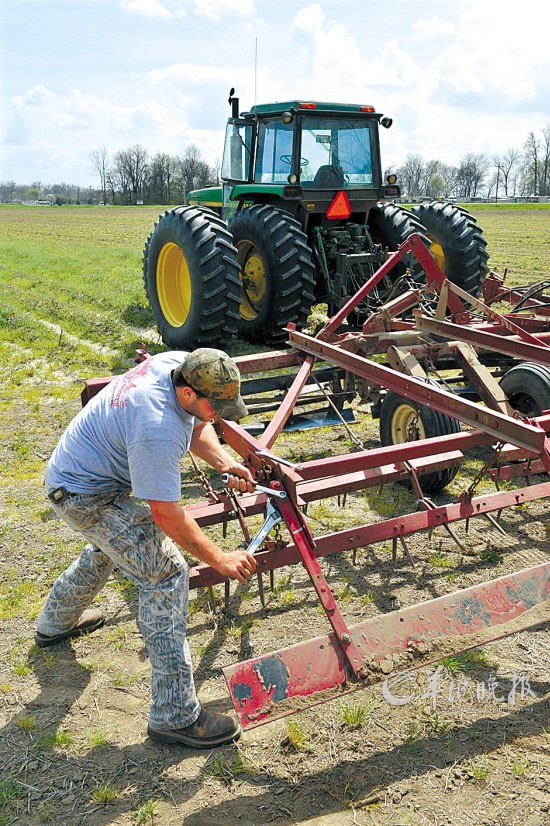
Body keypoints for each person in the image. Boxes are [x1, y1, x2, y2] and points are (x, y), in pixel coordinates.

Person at [35, 348, 257, 749]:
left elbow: (197, 423)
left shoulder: (178, 363)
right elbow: (168, 517)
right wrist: (220, 558)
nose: (221, 414)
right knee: (164, 572)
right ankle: (175, 715)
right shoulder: (155, 426)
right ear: (188, 392)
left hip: (82, 473)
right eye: (216, 406)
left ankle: (55, 623)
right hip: (83, 494)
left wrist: (223, 462)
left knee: (115, 548)